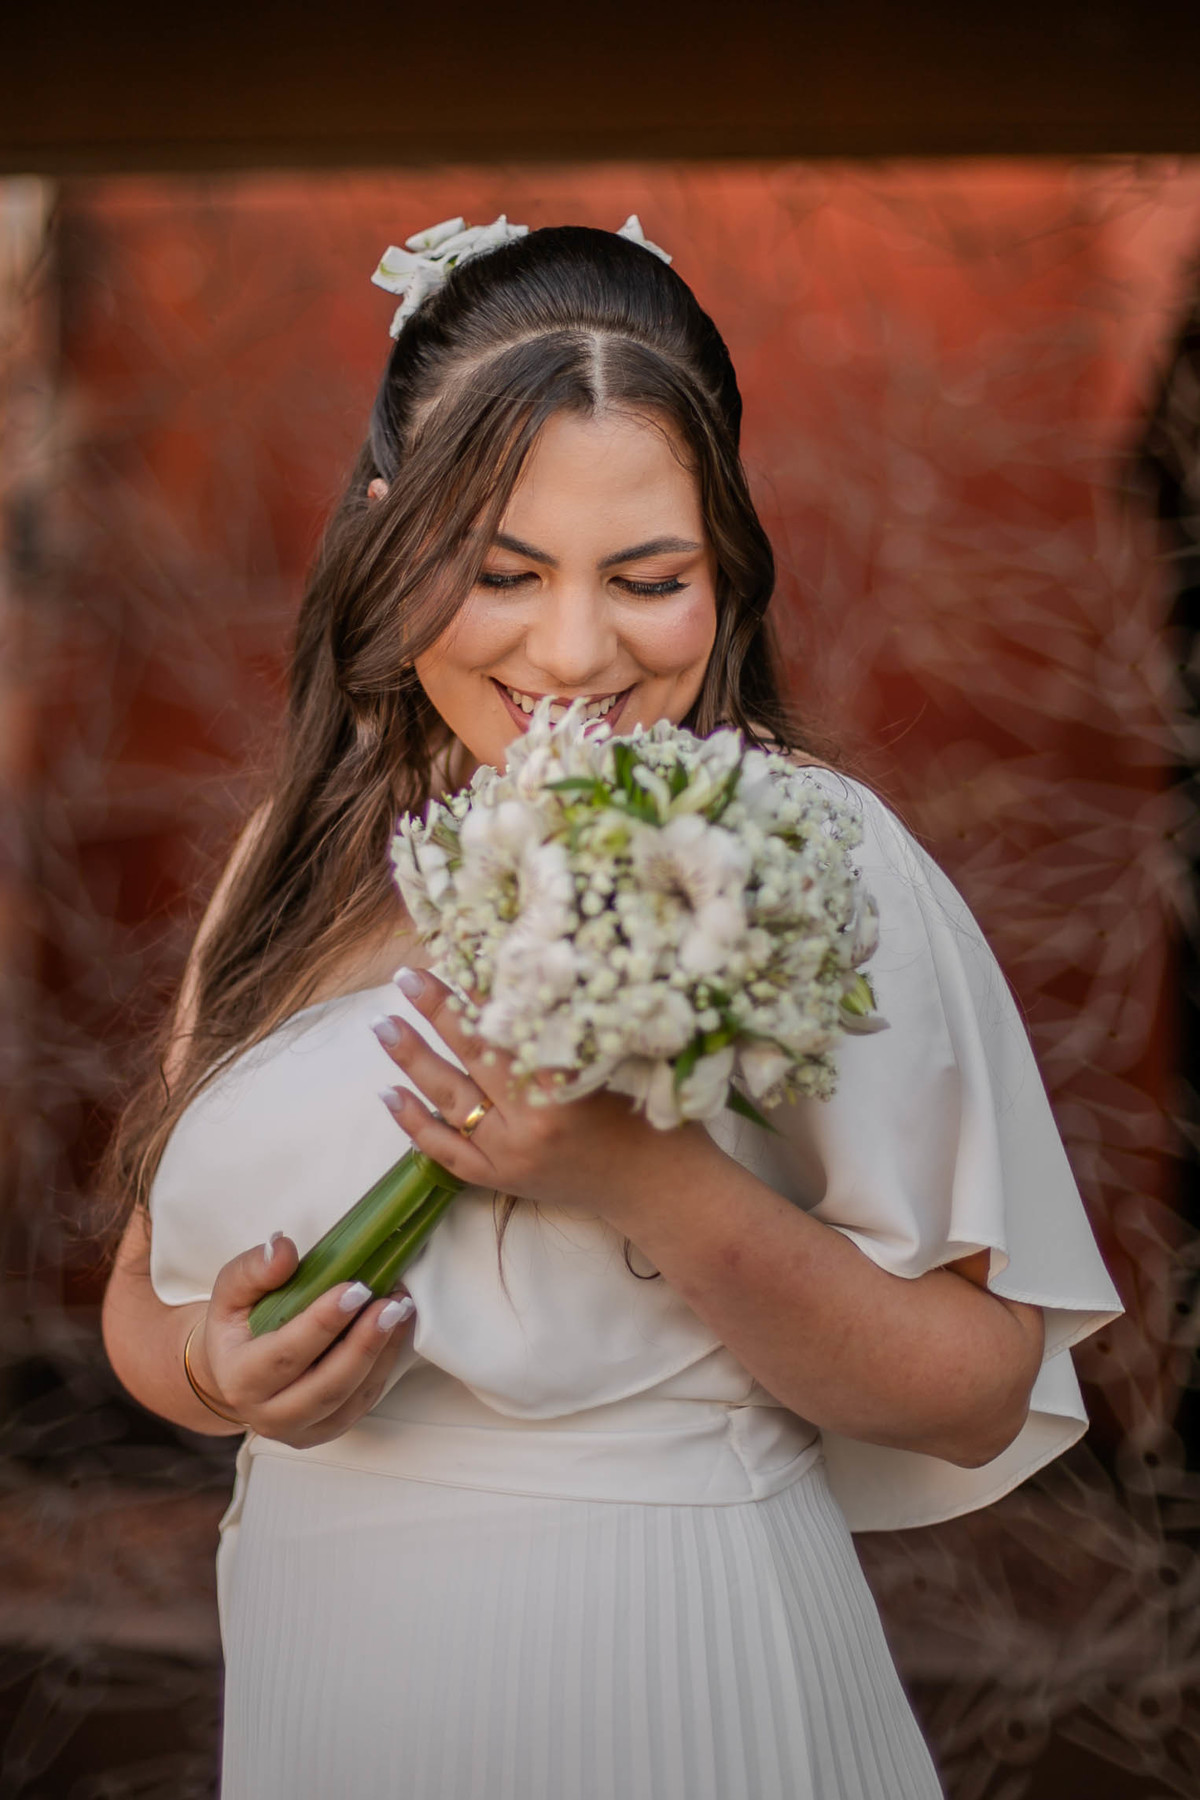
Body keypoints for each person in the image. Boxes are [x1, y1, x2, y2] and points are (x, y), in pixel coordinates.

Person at [100, 216, 1123, 1800]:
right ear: (387, 538)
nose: (573, 649)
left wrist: (643, 1180)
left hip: (667, 1661)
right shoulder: (290, 860)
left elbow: (980, 1389)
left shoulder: (801, 854)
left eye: (648, 580)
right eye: (502, 573)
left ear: (727, 569)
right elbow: (143, 1297)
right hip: (327, 1670)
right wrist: (221, 1376)